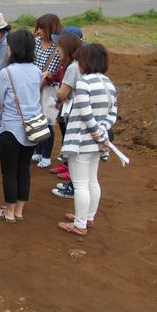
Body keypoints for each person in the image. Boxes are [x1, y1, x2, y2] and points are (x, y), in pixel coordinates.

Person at [58, 43, 117, 236]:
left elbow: (85, 111)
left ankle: (80, 223)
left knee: (80, 183)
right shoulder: (108, 83)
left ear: (86, 62)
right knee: (92, 180)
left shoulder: (84, 83)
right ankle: (88, 217)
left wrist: (95, 131)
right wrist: (102, 132)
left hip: (81, 140)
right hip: (98, 142)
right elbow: (113, 113)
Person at [0, 29, 42, 223]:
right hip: (32, 128)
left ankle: (9, 212)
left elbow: (1, 100)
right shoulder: (37, 71)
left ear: (15, 49)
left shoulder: (7, 72)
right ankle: (18, 210)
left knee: (9, 171)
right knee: (23, 169)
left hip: (11, 127)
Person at [51, 33, 84, 200]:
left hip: (73, 112)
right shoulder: (81, 64)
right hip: (78, 111)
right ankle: (73, 182)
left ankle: (73, 187)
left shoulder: (72, 67)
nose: (58, 49)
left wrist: (57, 94)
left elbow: (63, 92)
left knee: (75, 152)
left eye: (60, 46)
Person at [32, 14, 63, 169]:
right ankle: (38, 150)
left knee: (48, 122)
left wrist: (44, 81)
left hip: (50, 88)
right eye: (38, 28)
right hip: (35, 85)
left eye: (42, 28)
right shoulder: (36, 42)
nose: (39, 31)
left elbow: (56, 70)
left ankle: (46, 155)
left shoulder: (58, 47)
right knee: (36, 119)